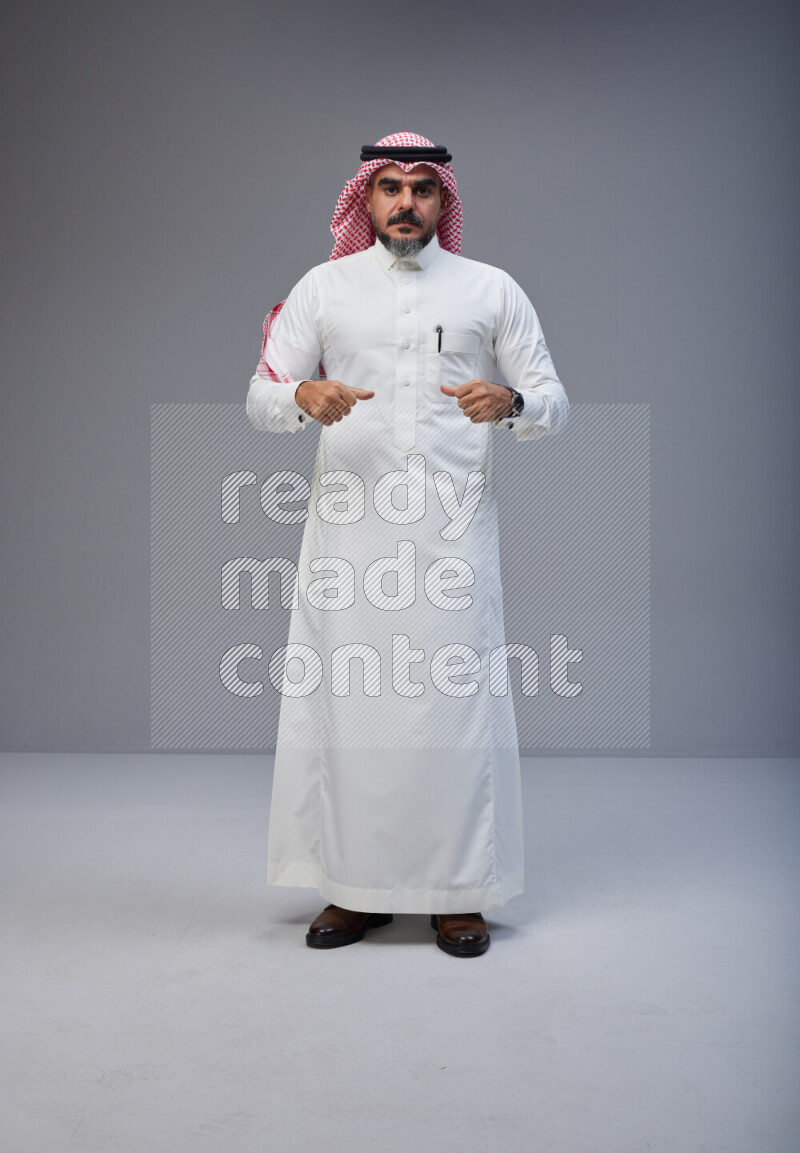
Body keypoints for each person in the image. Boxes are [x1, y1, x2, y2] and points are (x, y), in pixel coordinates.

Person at [246, 132, 569, 956]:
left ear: (443, 201)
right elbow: (260, 395)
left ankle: (459, 893)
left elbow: (555, 401)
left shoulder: (491, 289)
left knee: (452, 712)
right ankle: (353, 890)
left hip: (454, 542)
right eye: (389, 187)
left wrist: (513, 402)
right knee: (349, 711)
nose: (404, 203)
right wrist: (300, 398)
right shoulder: (323, 288)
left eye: (422, 189)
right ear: (365, 197)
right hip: (349, 543)